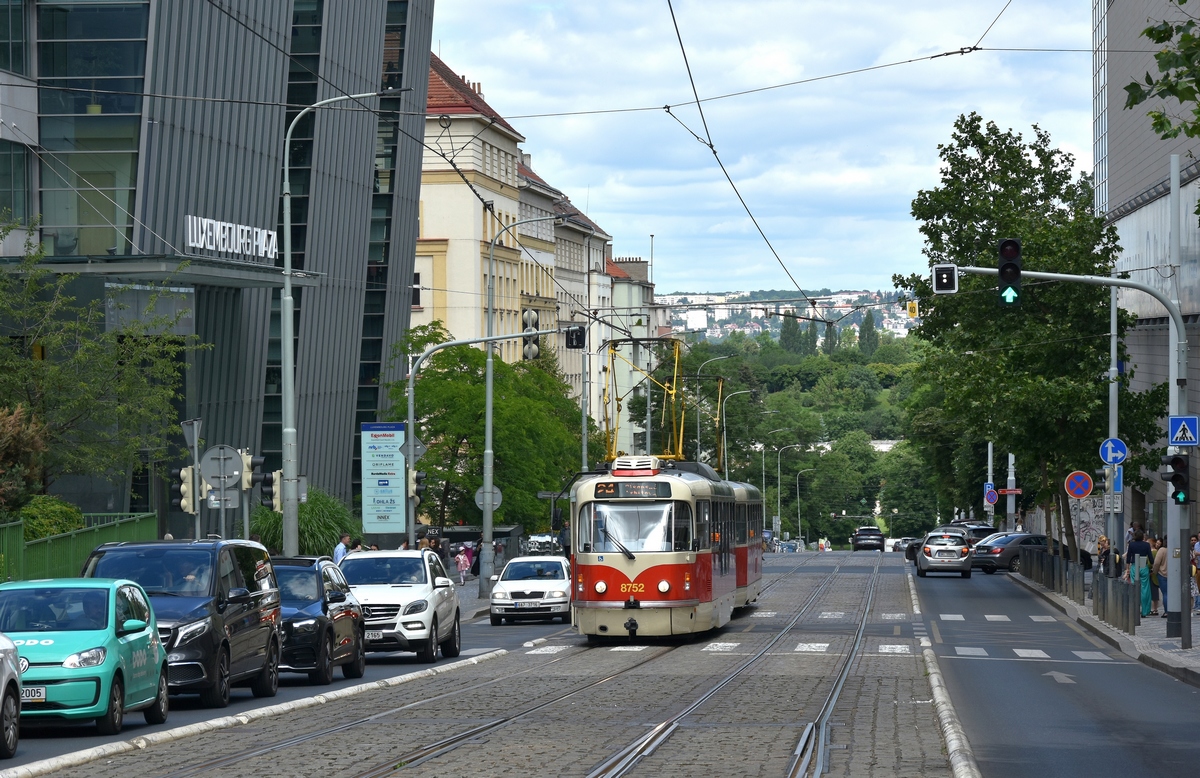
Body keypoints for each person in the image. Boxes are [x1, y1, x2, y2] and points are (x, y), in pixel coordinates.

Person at [1126, 530, 1153, 617]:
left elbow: (1128, 557)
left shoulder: (1131, 544)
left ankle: (1135, 609)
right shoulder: (1146, 545)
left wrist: (1127, 569)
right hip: (1143, 566)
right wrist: (1151, 567)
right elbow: (1151, 558)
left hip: (1134, 566)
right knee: (1145, 589)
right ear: (1142, 537)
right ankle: (1145, 611)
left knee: (1134, 587)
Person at [1152, 536, 1168, 617]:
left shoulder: (1162, 550)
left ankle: (1167, 611)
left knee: (1165, 593)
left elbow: (1156, 563)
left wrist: (1154, 571)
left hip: (1162, 574)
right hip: (1174, 575)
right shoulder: (1176, 549)